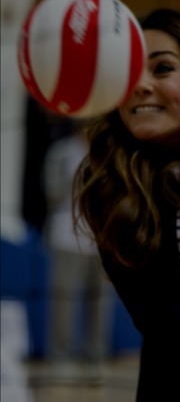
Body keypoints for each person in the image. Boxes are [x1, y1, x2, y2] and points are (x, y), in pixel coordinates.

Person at [73, 8, 180, 402]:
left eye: (163, 68)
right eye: (126, 76)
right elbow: (166, 328)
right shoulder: (113, 189)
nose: (140, 86)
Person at [43, 127, 113, 382]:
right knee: (64, 301)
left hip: (100, 241)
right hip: (66, 237)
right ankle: (60, 358)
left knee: (100, 304)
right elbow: (51, 192)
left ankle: (95, 358)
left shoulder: (107, 154)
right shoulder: (61, 152)